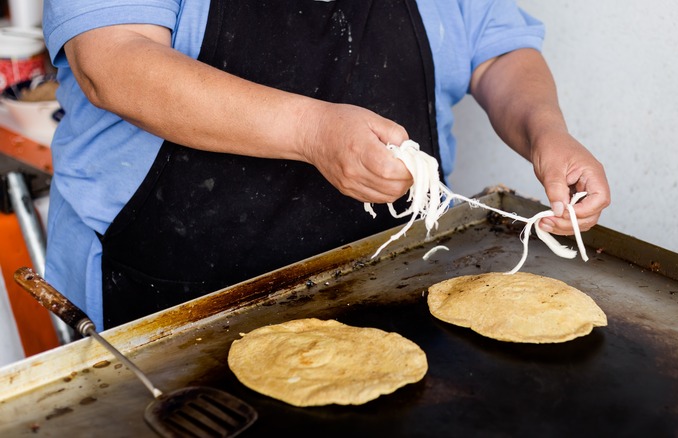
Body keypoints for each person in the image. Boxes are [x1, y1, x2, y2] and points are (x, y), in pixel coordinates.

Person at [42, 0, 610, 331]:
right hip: (170, 293)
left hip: (393, 275)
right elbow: (112, 61)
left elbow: (498, 50)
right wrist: (313, 133)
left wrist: (547, 132)